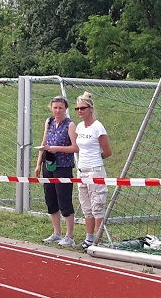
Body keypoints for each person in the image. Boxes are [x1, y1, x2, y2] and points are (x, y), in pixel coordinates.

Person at [34, 95, 77, 246]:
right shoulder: (49, 121)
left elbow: (75, 147)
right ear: (51, 108)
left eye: (60, 108)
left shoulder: (70, 125)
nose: (57, 110)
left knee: (64, 199)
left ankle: (69, 235)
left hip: (63, 166)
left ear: (65, 109)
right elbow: (44, 142)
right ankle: (57, 232)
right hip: (49, 164)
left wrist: (57, 148)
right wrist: (38, 164)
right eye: (55, 108)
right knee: (50, 199)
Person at [73, 92, 113, 249]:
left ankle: (98, 240)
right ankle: (88, 238)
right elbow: (78, 147)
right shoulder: (79, 127)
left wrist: (96, 160)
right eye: (77, 108)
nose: (79, 111)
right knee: (86, 207)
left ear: (90, 109)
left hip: (95, 170)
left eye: (82, 108)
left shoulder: (98, 127)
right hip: (81, 170)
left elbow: (107, 151)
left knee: (97, 206)